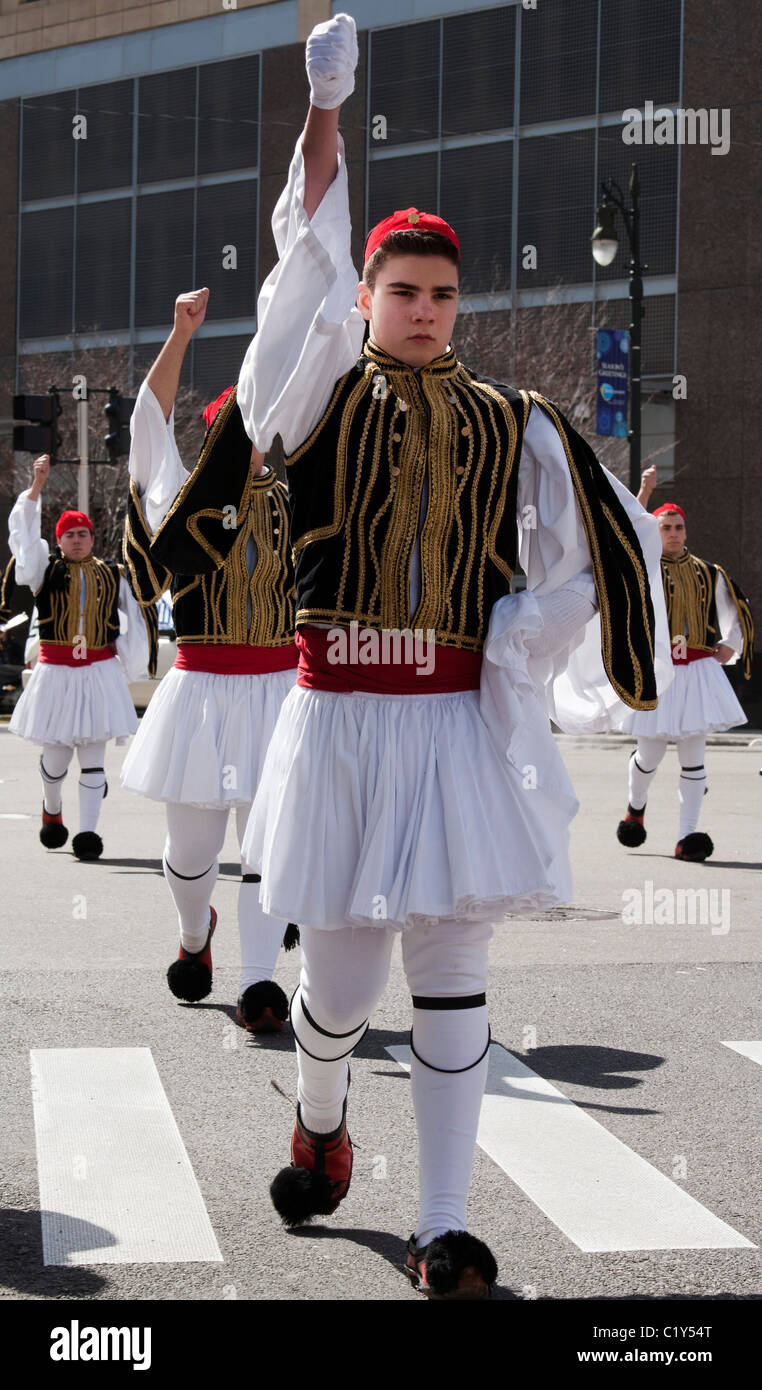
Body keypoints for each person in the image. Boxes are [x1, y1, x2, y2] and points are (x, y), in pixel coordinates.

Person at [235, 14, 669, 1298]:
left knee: (456, 976)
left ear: (460, 302)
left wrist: (527, 641)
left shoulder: (511, 417)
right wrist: (328, 107)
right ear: (369, 300)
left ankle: (440, 1225)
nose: (424, 312)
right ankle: (321, 1120)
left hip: (453, 722)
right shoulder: (310, 399)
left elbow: (608, 542)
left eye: (442, 295)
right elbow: (302, 257)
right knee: (337, 989)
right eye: (402, 292)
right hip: (342, 717)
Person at [121, 287, 299, 1033]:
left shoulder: (299, 501)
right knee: (191, 855)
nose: (247, 442)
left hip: (280, 690)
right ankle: (197, 936)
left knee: (266, 845)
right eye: (234, 428)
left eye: (254, 429)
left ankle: (260, 984)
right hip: (201, 689)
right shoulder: (181, 496)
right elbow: (144, 426)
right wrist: (180, 334)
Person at [8, 455, 148, 859]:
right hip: (56, 672)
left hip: (98, 672)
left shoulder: (112, 573)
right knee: (54, 759)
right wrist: (36, 488)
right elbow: (23, 535)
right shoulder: (42, 571)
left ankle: (87, 834)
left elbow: (135, 620)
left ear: (92, 538)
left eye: (83, 534)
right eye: (69, 535)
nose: (77, 540)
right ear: (58, 541)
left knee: (93, 758)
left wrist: (128, 662)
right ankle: (52, 810)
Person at [616, 466, 753, 861]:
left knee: (694, 760)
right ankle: (635, 808)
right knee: (649, 757)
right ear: (655, 532)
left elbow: (736, 610)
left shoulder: (710, 573)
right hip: (660, 672)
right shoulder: (645, 568)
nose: (672, 533)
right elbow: (627, 532)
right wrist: (644, 491)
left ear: (686, 531)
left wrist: (731, 644)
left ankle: (686, 836)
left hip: (698, 671)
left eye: (677, 526)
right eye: (664, 527)